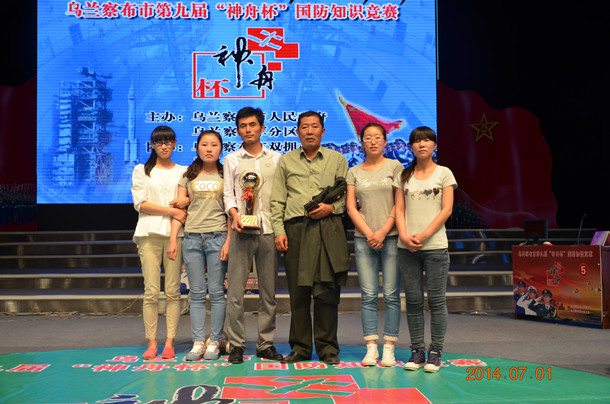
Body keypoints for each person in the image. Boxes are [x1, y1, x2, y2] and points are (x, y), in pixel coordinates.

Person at [271, 110, 350, 365]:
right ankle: (300, 348)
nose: (309, 131)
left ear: (323, 131)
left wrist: (331, 208)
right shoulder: (286, 161)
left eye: (314, 126)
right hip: (296, 230)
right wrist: (279, 230)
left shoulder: (337, 159)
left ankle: (328, 349)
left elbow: (347, 195)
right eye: (304, 127)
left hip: (328, 227)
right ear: (297, 132)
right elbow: (277, 199)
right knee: (299, 291)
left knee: (327, 291)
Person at [394, 126, 457, 373]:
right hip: (406, 247)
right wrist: (404, 236)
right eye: (417, 141)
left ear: (434, 145)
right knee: (413, 301)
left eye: (427, 140)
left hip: (435, 246)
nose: (422, 144)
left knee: (437, 301)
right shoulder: (403, 175)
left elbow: (446, 210)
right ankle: (417, 350)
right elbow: (399, 209)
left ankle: (435, 352)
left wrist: (424, 235)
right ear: (411, 146)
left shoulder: (444, 173)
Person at [223, 107, 283, 364]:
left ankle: (265, 343)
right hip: (241, 230)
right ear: (237, 130)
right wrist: (234, 215)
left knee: (268, 292)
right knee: (235, 292)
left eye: (252, 125)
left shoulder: (277, 158)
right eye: (243, 126)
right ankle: (236, 345)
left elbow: (281, 194)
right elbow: (228, 194)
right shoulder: (231, 159)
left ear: (262, 128)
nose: (248, 130)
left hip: (268, 230)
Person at [346, 123, 403, 367]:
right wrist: (370, 233)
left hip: (391, 237)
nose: (372, 141)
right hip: (364, 238)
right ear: (361, 142)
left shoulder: (396, 167)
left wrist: (383, 231)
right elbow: (351, 207)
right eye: (367, 137)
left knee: (391, 294)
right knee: (368, 294)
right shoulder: (353, 171)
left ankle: (389, 346)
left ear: (385, 141)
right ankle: (371, 347)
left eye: (377, 137)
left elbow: (399, 204)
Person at [171, 130, 231, 361]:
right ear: (197, 147)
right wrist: (173, 239)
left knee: (216, 292)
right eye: (204, 144)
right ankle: (197, 342)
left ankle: (214, 341)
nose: (209, 149)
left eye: (214, 145)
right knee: (195, 293)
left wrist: (228, 241)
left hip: (218, 236)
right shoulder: (188, 175)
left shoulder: (226, 174)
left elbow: (231, 210)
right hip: (192, 238)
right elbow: (179, 209)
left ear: (220, 148)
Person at [131, 126, 186, 360]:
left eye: (168, 142)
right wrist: (171, 211)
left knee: (173, 291)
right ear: (152, 145)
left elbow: (185, 204)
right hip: (148, 234)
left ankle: (170, 342)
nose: (164, 146)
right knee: (151, 291)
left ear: (175, 144)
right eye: (159, 142)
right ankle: (152, 342)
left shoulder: (184, 172)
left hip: (175, 236)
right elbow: (140, 204)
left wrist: (179, 210)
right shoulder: (141, 170)